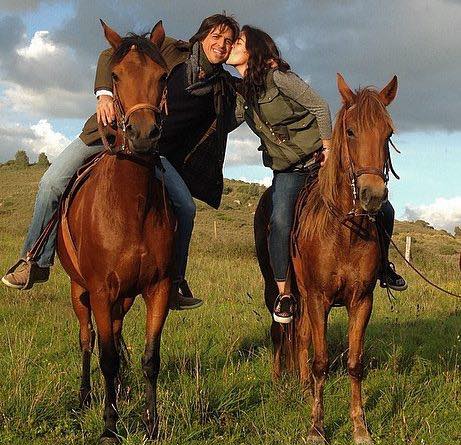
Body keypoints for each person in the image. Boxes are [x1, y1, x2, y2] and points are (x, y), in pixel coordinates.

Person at [2, 14, 240, 310]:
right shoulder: (169, 49)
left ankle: (174, 282)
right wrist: (103, 95)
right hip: (107, 133)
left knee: (186, 208)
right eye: (216, 37)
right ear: (202, 36)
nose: (222, 45)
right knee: (51, 182)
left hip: (152, 148)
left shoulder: (222, 85)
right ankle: (34, 260)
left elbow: (246, 100)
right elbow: (109, 54)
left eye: (229, 41)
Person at [226, 25, 406, 324]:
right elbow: (226, 122)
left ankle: (382, 267)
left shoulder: (280, 78)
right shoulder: (243, 94)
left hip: (317, 160)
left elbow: (321, 107)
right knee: (280, 220)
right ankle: (284, 293)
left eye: (239, 42)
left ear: (253, 49)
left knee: (384, 209)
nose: (232, 45)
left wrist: (327, 147)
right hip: (288, 170)